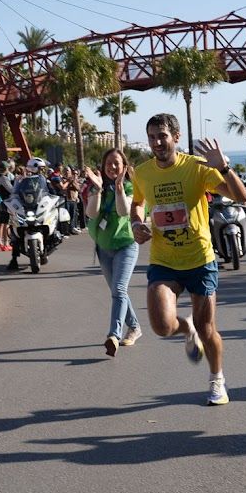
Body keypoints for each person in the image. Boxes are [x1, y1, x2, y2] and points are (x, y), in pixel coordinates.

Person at [130, 114, 246, 406]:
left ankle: (217, 380)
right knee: (161, 326)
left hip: (199, 259)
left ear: (176, 137)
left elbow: (241, 196)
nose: (157, 142)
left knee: (208, 329)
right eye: (152, 137)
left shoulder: (196, 167)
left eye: (162, 136)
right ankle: (187, 329)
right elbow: (137, 203)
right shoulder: (143, 172)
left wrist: (224, 167)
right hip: (163, 259)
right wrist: (136, 224)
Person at [84, 148, 142, 357]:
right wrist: (98, 190)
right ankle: (135, 327)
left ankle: (113, 335)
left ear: (124, 166)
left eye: (117, 163)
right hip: (104, 247)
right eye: (109, 163)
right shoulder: (96, 188)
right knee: (119, 293)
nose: (112, 167)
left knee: (118, 289)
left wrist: (118, 190)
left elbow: (124, 211)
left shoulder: (129, 186)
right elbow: (91, 213)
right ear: (103, 166)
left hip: (126, 245)